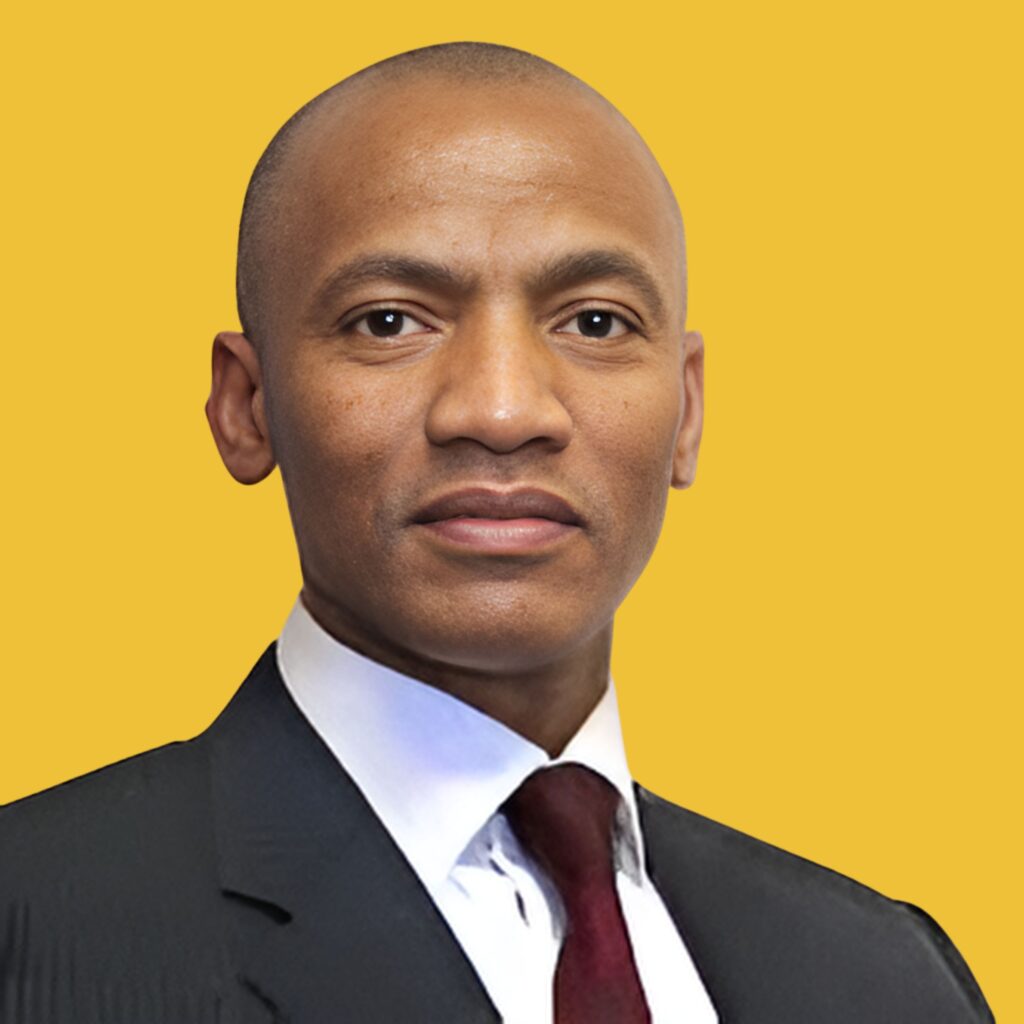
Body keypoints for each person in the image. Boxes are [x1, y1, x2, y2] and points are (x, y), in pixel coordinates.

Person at [0, 42, 993, 1024]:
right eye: (389, 322)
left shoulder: (889, 975)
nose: (504, 409)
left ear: (687, 411)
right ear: (247, 406)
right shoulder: (34, 932)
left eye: (595, 323)